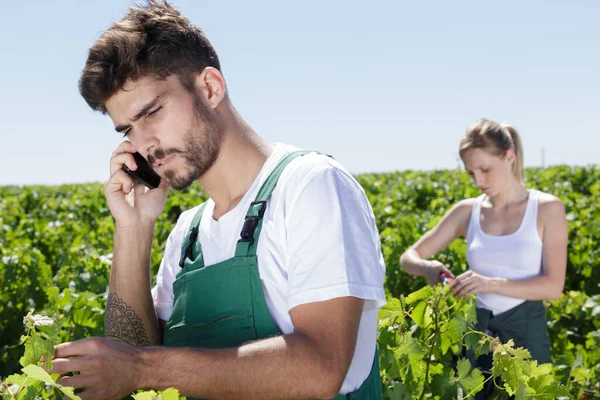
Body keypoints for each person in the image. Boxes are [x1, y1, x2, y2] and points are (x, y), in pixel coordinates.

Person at [50, 2, 386, 399]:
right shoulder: (187, 234)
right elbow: (135, 365)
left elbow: (321, 368)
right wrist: (134, 228)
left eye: (153, 112)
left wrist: (141, 368)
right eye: (128, 130)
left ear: (210, 87)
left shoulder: (309, 186)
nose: (144, 144)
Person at [399, 118, 567, 376]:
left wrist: (491, 284)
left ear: (509, 156)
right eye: (471, 173)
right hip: (478, 333)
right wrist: (428, 268)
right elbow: (408, 258)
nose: (478, 181)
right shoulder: (467, 211)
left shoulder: (546, 208)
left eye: (485, 169)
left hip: (527, 332)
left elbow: (553, 287)